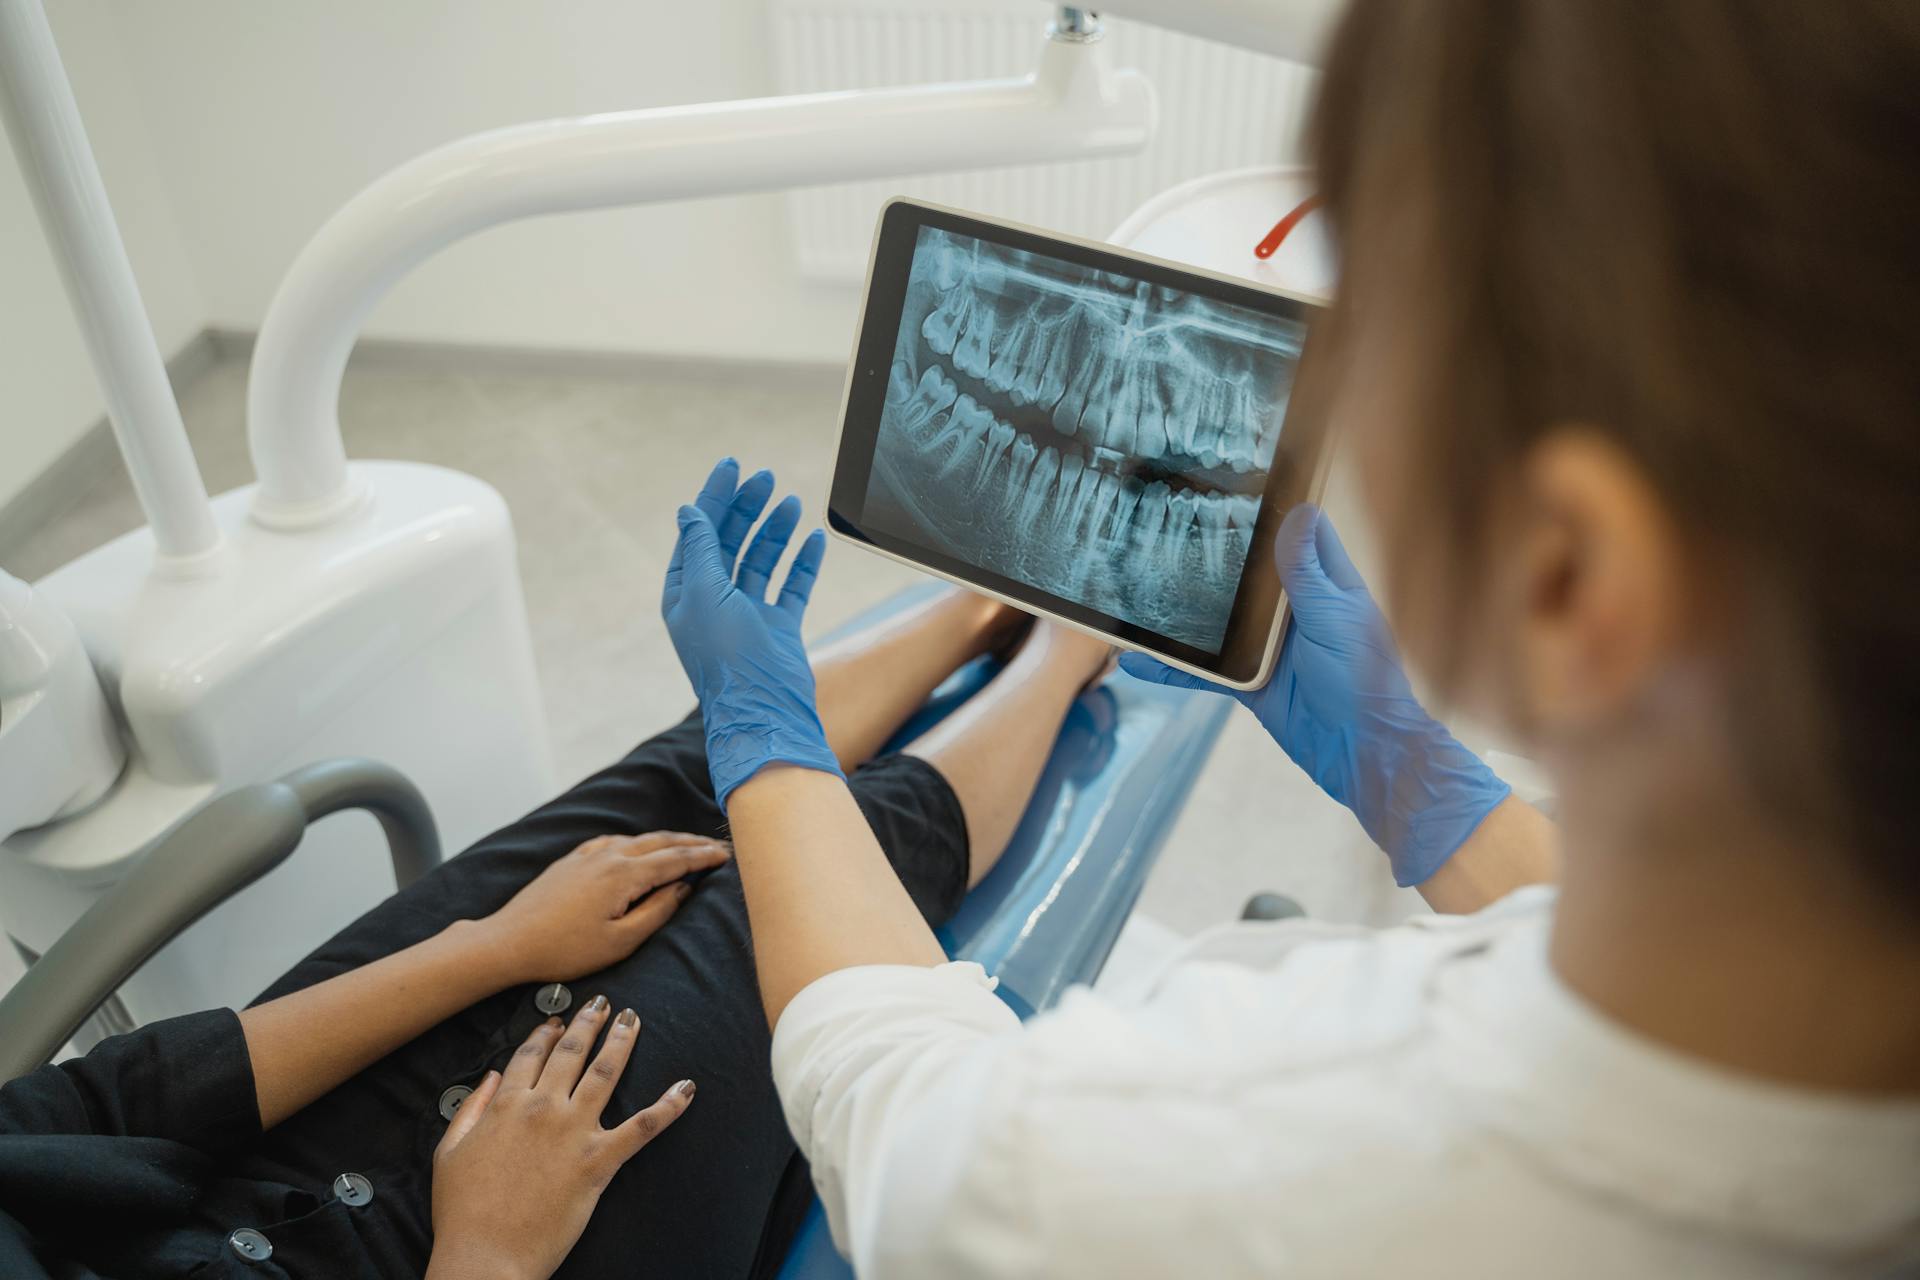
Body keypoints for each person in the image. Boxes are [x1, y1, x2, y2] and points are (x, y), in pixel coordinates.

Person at [657, 1, 1920, 1275]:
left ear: (1569, 573)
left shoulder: (1190, 1159)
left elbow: (900, 1119)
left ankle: (1037, 641)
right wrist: (1431, 788)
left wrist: (765, 740)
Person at [0, 524, 1114, 1280]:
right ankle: (1066, 648)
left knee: (653, 808)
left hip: (242, 1161)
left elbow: (107, 1101)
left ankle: (983, 609)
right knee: (800, 895)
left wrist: (492, 946)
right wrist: (487, 1248)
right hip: (491, 1255)